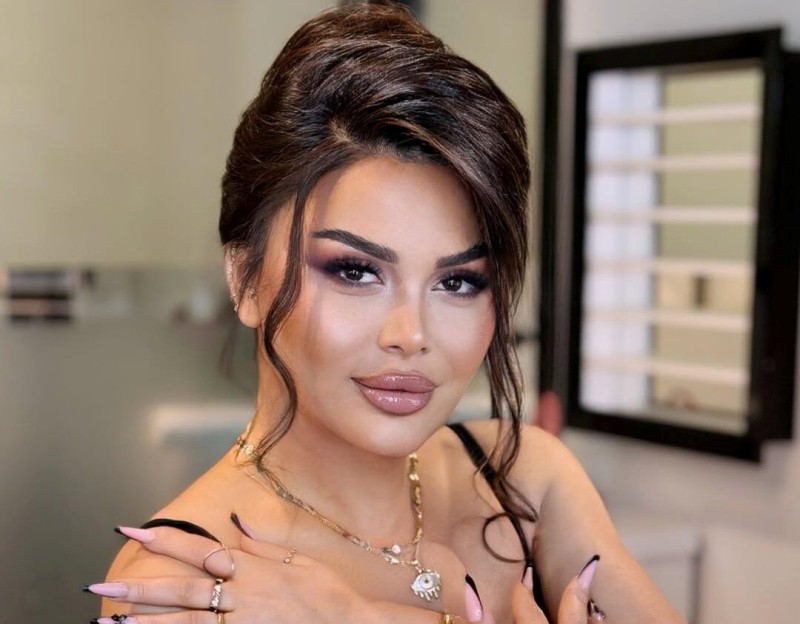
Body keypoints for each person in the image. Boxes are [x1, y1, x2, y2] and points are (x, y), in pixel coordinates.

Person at [84, 3, 685, 623]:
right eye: (355, 271)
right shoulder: (184, 583)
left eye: (458, 281)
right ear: (245, 279)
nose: (412, 335)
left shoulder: (523, 480)